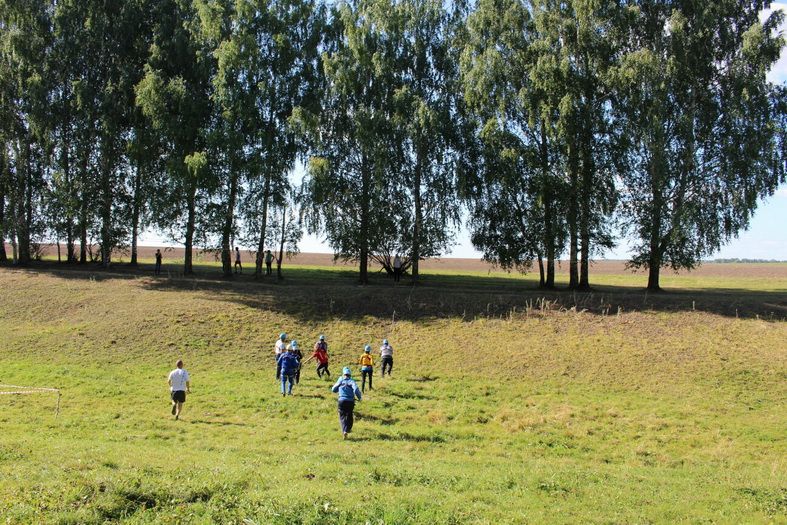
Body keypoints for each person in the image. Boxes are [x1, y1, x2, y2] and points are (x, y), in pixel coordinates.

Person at [331, 367, 362, 439]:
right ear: (350, 374)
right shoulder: (351, 381)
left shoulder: (340, 380)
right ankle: (347, 429)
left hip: (341, 401)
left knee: (342, 416)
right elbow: (356, 389)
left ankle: (344, 431)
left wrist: (338, 389)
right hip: (350, 401)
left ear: (343, 374)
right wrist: (359, 397)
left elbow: (333, 389)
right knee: (349, 415)